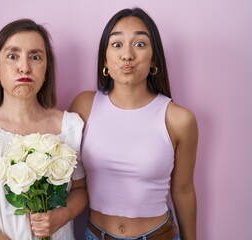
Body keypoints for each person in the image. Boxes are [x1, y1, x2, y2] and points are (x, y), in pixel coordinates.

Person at [0, 19, 87, 240]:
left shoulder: (70, 127)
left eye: (35, 57)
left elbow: (80, 190)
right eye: (13, 56)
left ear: (46, 70)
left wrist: (61, 215)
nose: (24, 67)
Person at [70, 7, 198, 240]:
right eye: (117, 44)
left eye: (139, 44)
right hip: (96, 235)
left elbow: (184, 190)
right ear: (105, 59)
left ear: (153, 59)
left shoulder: (178, 119)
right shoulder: (84, 106)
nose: (127, 55)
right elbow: (50, 138)